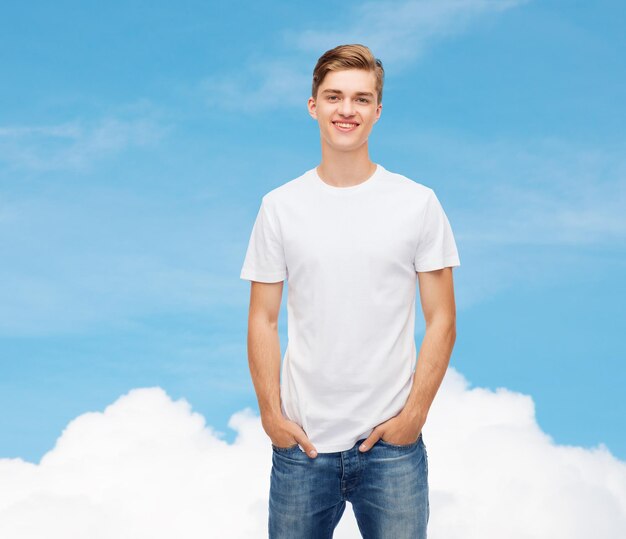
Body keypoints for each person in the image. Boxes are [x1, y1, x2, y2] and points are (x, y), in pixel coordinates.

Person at [240, 43, 460, 539]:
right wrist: (271, 416)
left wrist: (414, 416)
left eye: (361, 99)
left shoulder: (417, 204)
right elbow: (262, 318)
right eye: (334, 96)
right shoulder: (280, 207)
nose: (347, 110)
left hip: (391, 449)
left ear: (377, 111)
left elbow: (442, 317)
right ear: (313, 105)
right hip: (302, 447)